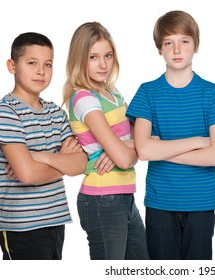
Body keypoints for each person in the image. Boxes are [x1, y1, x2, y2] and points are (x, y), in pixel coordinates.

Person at [126, 10, 215, 260]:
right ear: (159, 49)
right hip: (160, 203)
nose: (177, 49)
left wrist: (162, 149)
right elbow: (143, 151)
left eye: (184, 41)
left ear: (195, 46)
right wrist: (197, 142)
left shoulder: (211, 93)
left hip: (201, 204)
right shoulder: (147, 93)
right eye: (168, 43)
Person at [0, 32, 87, 260]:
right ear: (12, 66)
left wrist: (39, 156)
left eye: (48, 64)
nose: (41, 71)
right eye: (32, 63)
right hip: (21, 227)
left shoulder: (56, 113)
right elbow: (27, 174)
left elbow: (81, 163)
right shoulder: (5, 112)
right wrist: (62, 160)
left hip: (55, 221)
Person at [62, 21, 149, 260]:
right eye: (93, 57)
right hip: (102, 199)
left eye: (108, 55)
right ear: (79, 59)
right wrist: (126, 149)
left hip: (124, 197)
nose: (103, 64)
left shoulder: (114, 93)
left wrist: (124, 148)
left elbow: (149, 139)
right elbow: (128, 156)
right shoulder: (84, 98)